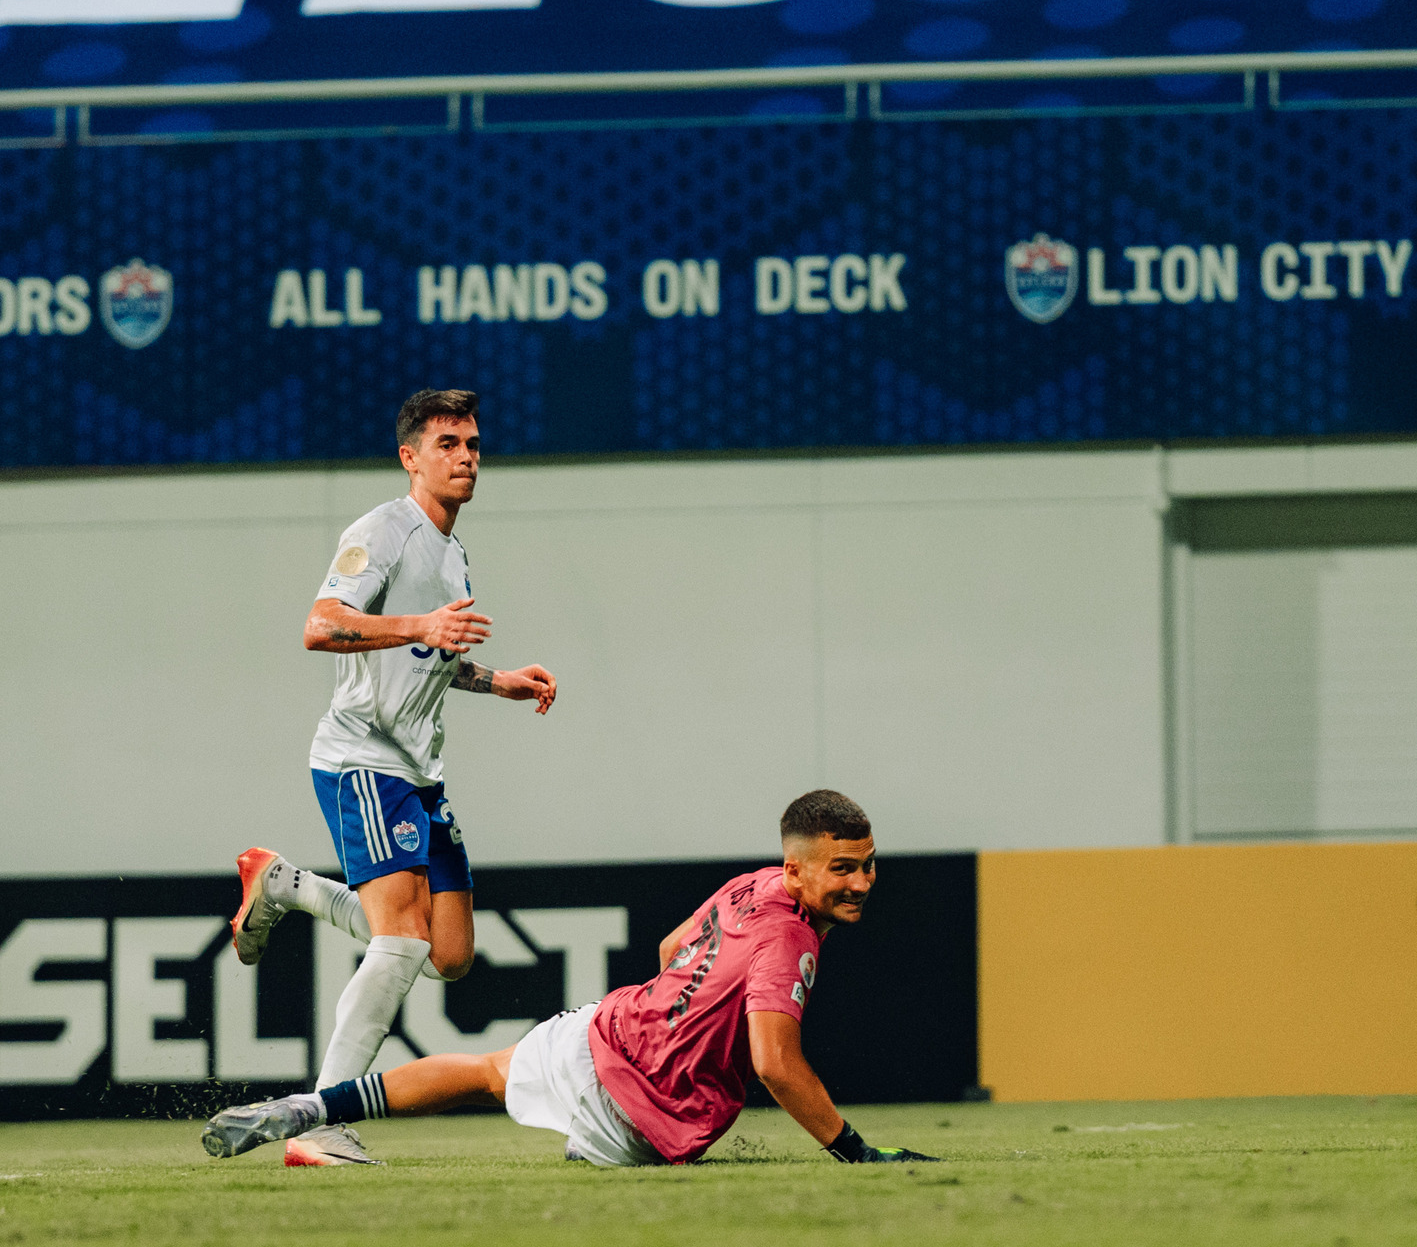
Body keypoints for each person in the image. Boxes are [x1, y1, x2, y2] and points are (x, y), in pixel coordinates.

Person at [203, 791, 936, 1169]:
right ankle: (594, 1139)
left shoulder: (755, 884)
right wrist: (855, 1150)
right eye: (843, 868)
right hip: (645, 1117)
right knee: (503, 1085)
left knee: (485, 1073)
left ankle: (311, 1107)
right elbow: (776, 1064)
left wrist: (680, 1016)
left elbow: (673, 946)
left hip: (609, 1033)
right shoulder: (790, 938)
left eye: (868, 864)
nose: (862, 882)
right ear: (798, 870)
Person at [225, 388, 558, 1166]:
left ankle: (285, 885)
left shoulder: (452, 551)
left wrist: (497, 681)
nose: (467, 457)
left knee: (450, 953)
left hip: (420, 772)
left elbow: (424, 657)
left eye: (473, 443)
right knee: (402, 939)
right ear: (410, 457)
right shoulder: (382, 530)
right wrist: (420, 624)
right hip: (363, 758)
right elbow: (320, 626)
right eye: (448, 444)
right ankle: (318, 1123)